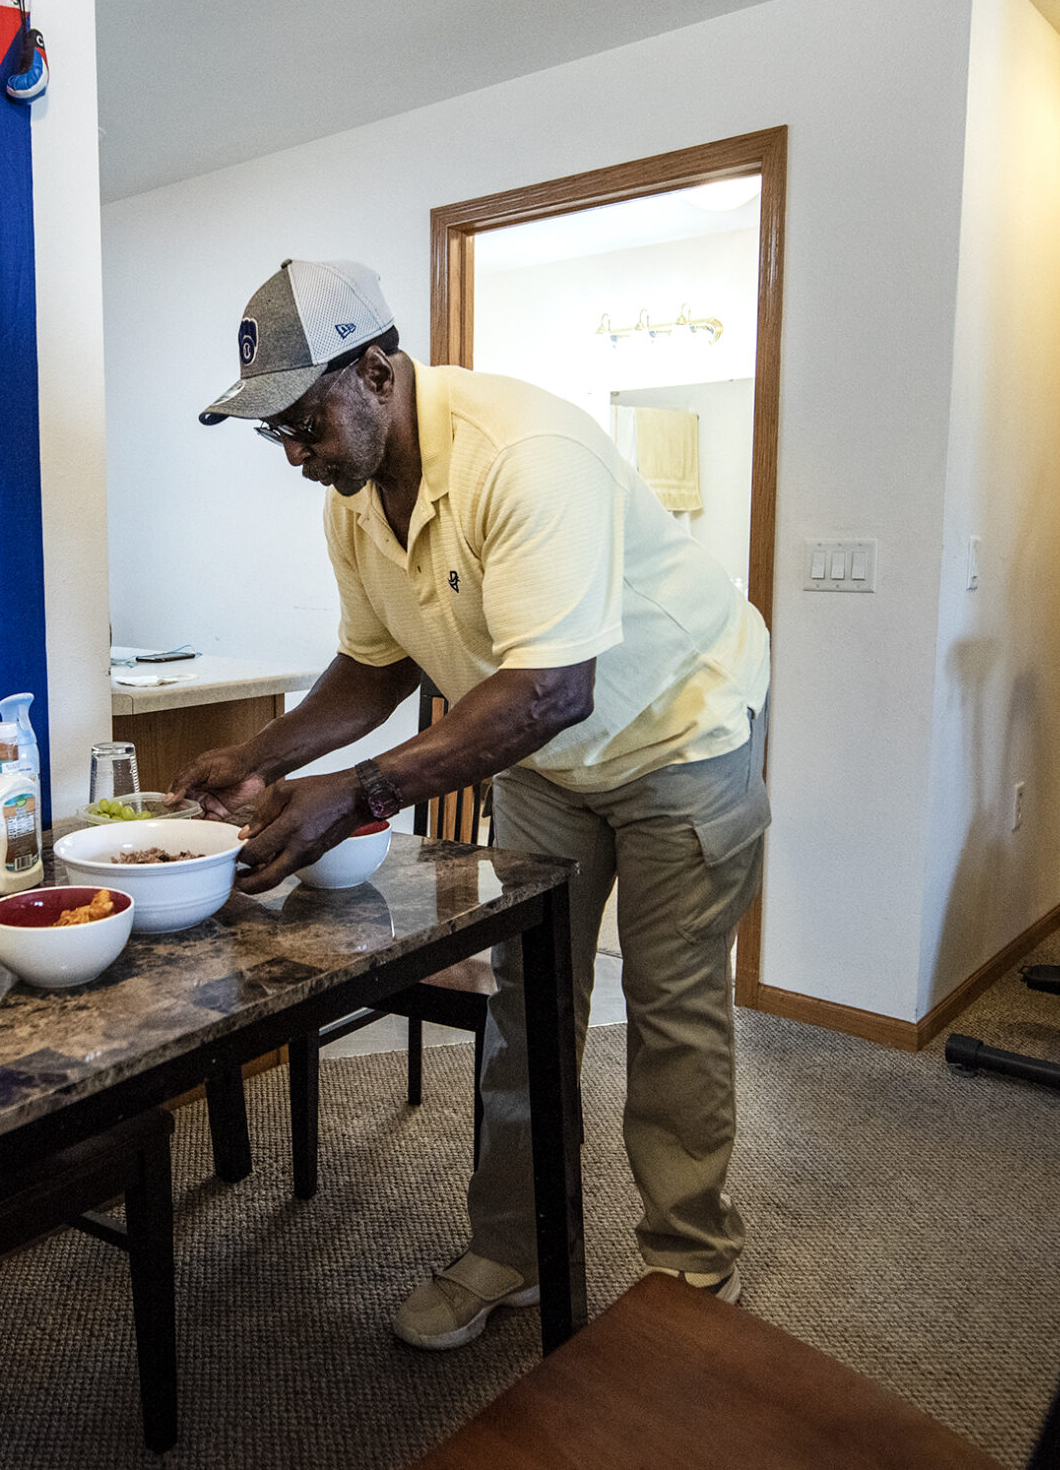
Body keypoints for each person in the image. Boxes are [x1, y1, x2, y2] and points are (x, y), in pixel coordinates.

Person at [172, 257, 772, 1351]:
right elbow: (376, 667)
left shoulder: (523, 454)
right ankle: (516, 1245)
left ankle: (689, 1268)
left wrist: (354, 795)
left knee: (671, 1011)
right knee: (526, 1007)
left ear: (377, 368)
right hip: (548, 765)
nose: (296, 454)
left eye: (304, 421)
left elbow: (551, 687)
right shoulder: (354, 503)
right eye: (278, 435)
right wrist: (259, 758)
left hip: (680, 734)